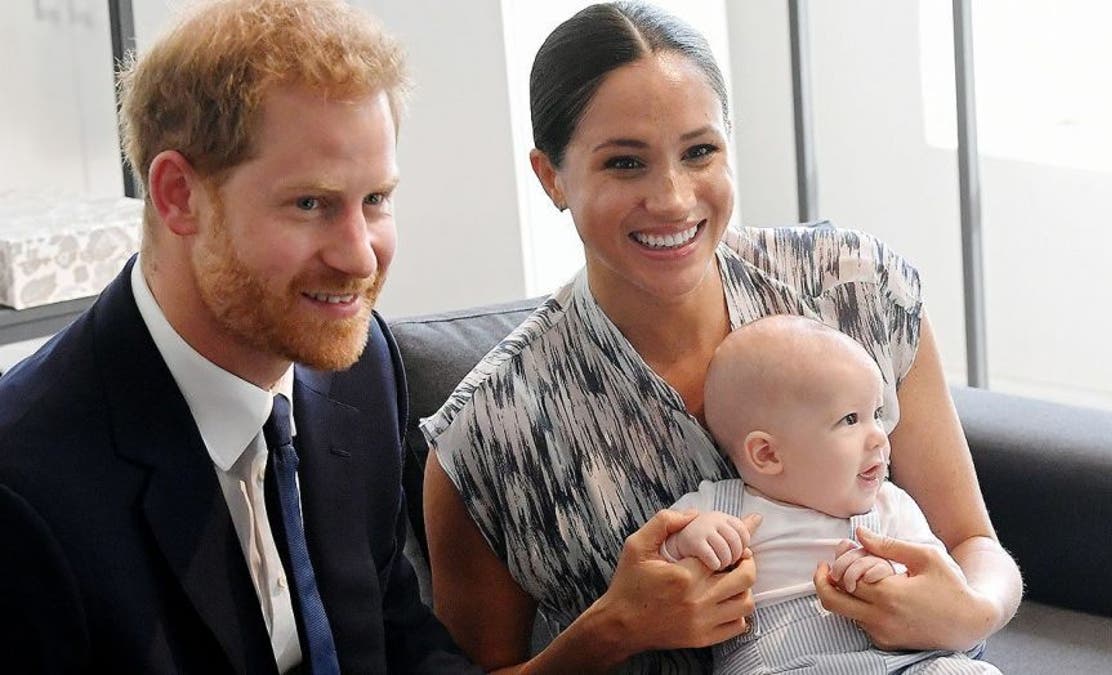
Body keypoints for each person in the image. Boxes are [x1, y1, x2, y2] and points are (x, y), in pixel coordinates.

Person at [422, 1, 1022, 671]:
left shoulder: (854, 288)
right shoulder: (488, 435)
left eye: (700, 151)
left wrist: (973, 609)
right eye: (625, 163)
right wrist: (614, 628)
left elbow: (973, 540)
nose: (674, 198)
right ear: (551, 177)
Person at [0, 1, 478, 672]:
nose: (361, 258)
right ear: (177, 195)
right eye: (310, 203)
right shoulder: (24, 489)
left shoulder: (361, 366)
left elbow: (395, 632)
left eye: (375, 200)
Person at [662, 315, 1001, 674]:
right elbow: (654, 569)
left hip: (904, 663)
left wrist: (891, 574)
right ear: (767, 454)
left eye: (877, 414)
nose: (879, 437)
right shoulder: (718, 509)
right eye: (851, 420)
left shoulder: (891, 507)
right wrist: (688, 541)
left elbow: (944, 586)